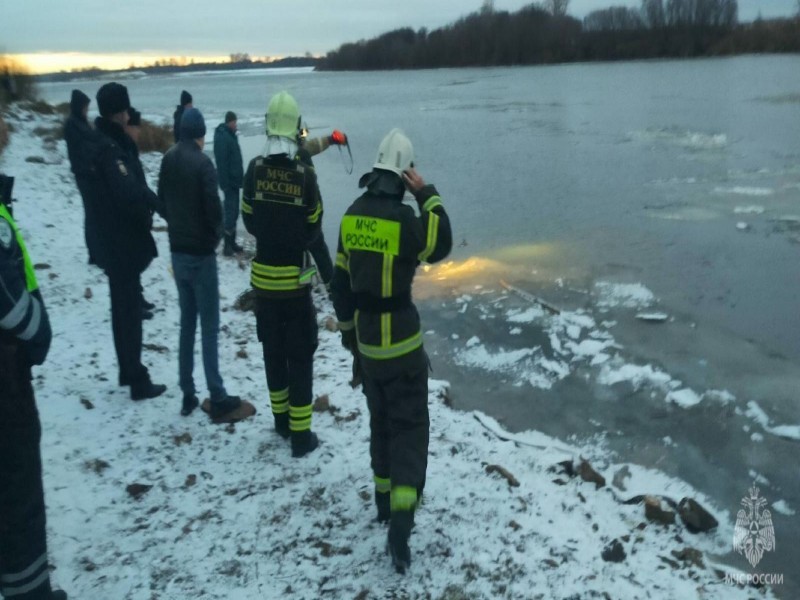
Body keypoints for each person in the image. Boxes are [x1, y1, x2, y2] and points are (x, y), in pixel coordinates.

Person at [330, 128, 452, 574]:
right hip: (402, 346)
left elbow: (339, 286)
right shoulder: (407, 221)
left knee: (380, 423)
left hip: (368, 344)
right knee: (410, 429)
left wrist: (349, 338)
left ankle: (383, 503)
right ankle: (401, 522)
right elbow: (441, 243)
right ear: (404, 176)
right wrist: (430, 196)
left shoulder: (348, 218)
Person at [157, 107, 254, 422]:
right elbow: (214, 211)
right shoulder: (203, 163)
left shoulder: (168, 158)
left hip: (177, 252)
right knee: (209, 326)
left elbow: (162, 201)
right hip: (200, 256)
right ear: (200, 134)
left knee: (187, 323)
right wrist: (213, 238)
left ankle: (187, 391)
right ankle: (217, 394)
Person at [241, 91, 322, 458]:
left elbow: (248, 220)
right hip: (294, 285)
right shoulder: (304, 175)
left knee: (272, 353)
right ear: (295, 128)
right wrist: (293, 239)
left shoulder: (254, 169)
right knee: (301, 356)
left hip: (264, 285)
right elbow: (314, 225)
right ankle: (302, 437)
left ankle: (281, 421)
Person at [0, 174, 68, 600]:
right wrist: (38, 328)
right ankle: (30, 593)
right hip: (6, 378)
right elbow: (9, 300)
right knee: (18, 488)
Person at [90, 82, 166, 401]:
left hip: (109, 240)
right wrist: (156, 203)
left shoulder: (103, 142)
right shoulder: (111, 148)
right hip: (119, 242)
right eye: (124, 109)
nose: (126, 115)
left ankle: (127, 370)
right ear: (118, 113)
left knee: (122, 308)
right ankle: (137, 379)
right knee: (128, 310)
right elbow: (127, 192)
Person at [295, 129, 348, 286]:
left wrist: (332, 139)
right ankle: (328, 287)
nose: (304, 137)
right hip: (305, 216)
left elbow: (313, 145)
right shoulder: (299, 154)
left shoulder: (288, 151)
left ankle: (309, 286)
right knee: (316, 251)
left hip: (295, 215)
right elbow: (310, 146)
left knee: (309, 252)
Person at [63, 88, 101, 265]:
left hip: (89, 173)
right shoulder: (73, 125)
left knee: (94, 213)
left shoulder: (82, 123)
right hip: (84, 174)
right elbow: (85, 147)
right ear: (79, 107)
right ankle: (94, 254)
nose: (87, 110)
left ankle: (97, 251)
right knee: (92, 214)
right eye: (85, 107)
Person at [213, 111, 244, 256]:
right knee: (230, 212)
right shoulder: (223, 138)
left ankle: (232, 242)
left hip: (235, 181)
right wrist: (224, 183)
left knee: (234, 211)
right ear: (228, 122)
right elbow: (222, 163)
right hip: (229, 183)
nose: (236, 124)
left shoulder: (230, 136)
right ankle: (227, 246)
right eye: (234, 122)